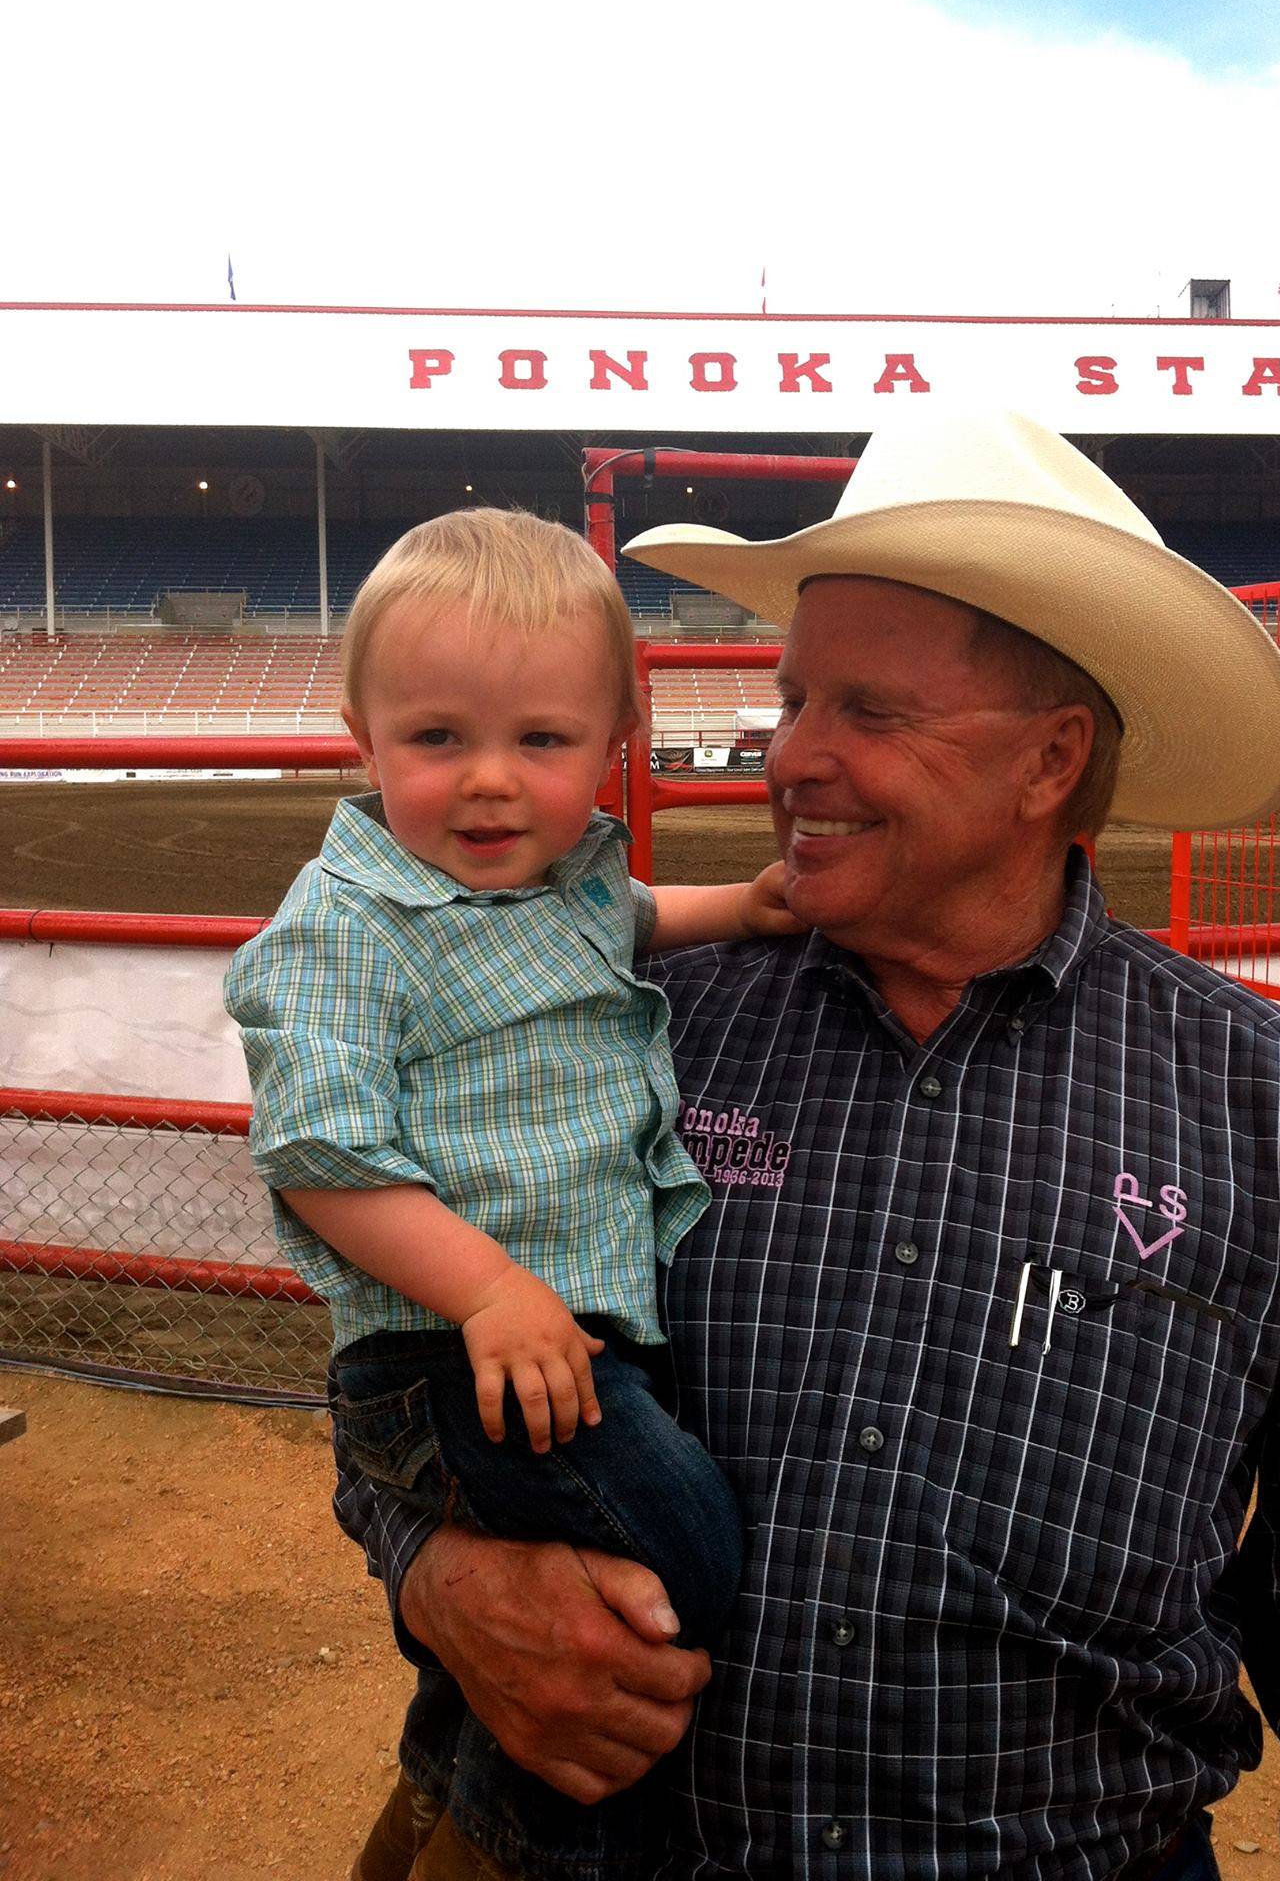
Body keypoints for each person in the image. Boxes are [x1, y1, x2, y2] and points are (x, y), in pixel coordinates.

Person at [335, 417, 1280, 1880]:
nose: (792, 757)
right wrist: (436, 1574)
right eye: (793, 700)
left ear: (1048, 762)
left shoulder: (1274, 1110)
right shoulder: (631, 1022)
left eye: (870, 712)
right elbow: (394, 1363)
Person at [225, 507, 800, 1879]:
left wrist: (750, 905)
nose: (490, 784)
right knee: (679, 1548)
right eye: (438, 741)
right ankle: (537, 1836)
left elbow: (635, 916)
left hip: (541, 1340)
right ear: (363, 735)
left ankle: (445, 1803)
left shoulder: (563, 882)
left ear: (607, 748)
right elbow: (321, 1159)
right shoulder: (342, 930)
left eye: (539, 743)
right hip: (449, 1352)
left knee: (592, 1573)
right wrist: (488, 1290)